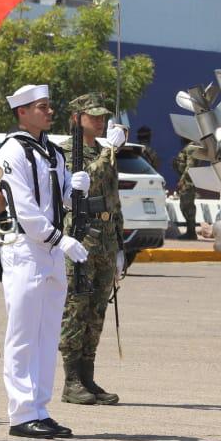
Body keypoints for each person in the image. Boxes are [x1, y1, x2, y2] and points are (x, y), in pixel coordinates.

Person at [0, 84, 88, 439]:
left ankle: (39, 407)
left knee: (47, 332)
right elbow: (24, 209)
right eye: (42, 107)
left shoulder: (51, 151)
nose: (49, 112)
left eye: (49, 106)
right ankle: (21, 413)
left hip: (49, 248)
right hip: (26, 247)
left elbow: (63, 200)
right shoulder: (12, 152)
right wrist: (60, 239)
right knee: (22, 334)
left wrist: (76, 187)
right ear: (22, 112)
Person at [61, 94, 126, 406]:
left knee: (97, 311)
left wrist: (120, 245)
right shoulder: (67, 150)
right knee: (77, 308)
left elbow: (113, 198)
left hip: (105, 239)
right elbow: (89, 182)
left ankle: (87, 375)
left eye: (103, 117)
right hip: (82, 238)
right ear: (77, 118)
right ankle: (71, 379)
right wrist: (110, 151)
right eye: (94, 116)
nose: (100, 121)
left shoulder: (104, 150)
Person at [173, 140, 198, 240]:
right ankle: (190, 232)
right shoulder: (188, 147)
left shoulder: (192, 148)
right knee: (185, 207)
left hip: (188, 183)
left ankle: (191, 233)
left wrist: (182, 181)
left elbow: (190, 167)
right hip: (186, 183)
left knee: (188, 207)